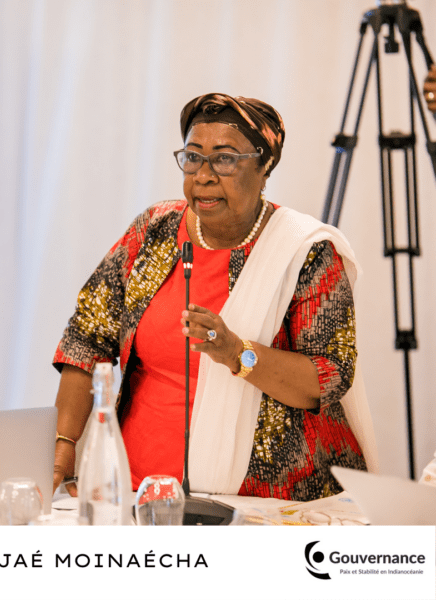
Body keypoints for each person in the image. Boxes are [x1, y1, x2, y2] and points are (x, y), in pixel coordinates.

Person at [52, 93, 377, 502]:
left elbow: (327, 377)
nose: (203, 176)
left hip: (264, 503)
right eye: (193, 158)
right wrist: (65, 444)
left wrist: (237, 353)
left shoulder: (305, 252)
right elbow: (86, 338)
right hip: (138, 493)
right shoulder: (154, 229)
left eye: (224, 159)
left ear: (264, 167)